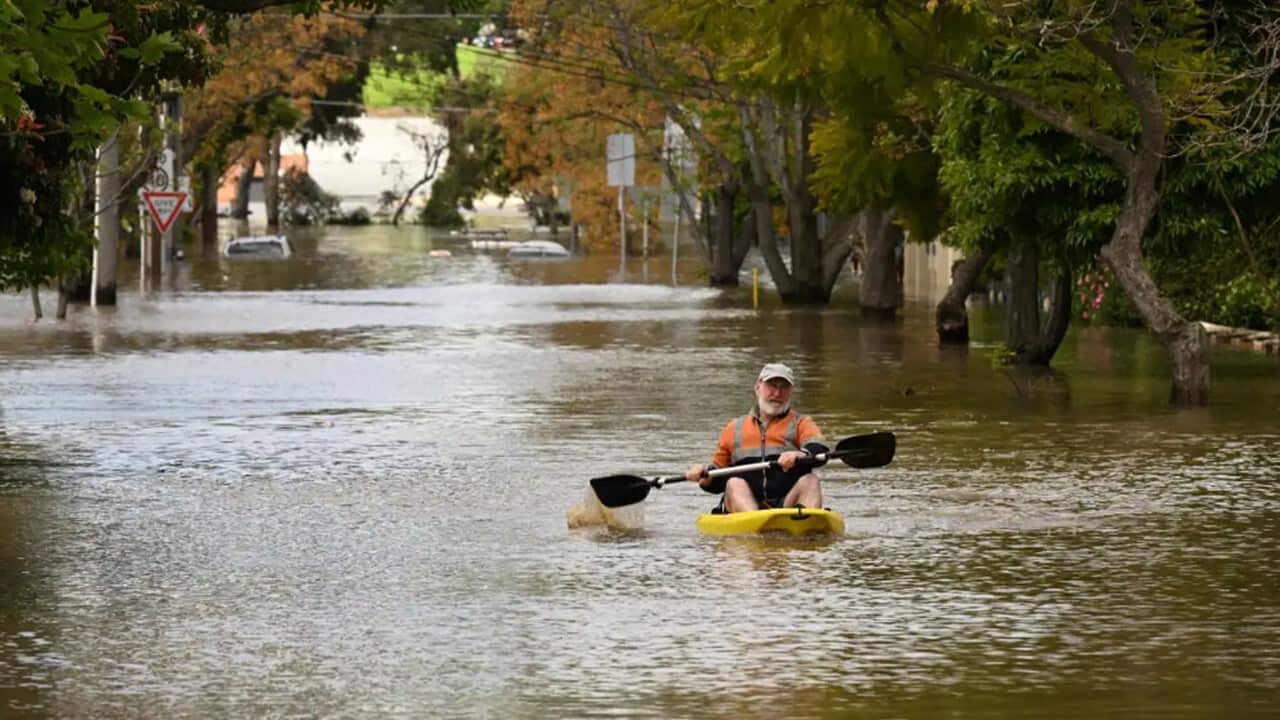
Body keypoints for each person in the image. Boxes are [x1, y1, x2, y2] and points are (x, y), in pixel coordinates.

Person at [684, 363, 829, 513]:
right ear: (758, 387)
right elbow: (717, 482)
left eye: (783, 387)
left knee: (811, 481)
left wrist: (801, 454)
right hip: (747, 510)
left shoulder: (801, 423)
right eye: (772, 386)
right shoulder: (734, 428)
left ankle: (805, 528)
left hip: (787, 506)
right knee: (734, 483)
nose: (777, 393)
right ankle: (755, 531)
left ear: (790, 392)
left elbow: (819, 451)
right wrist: (704, 475)